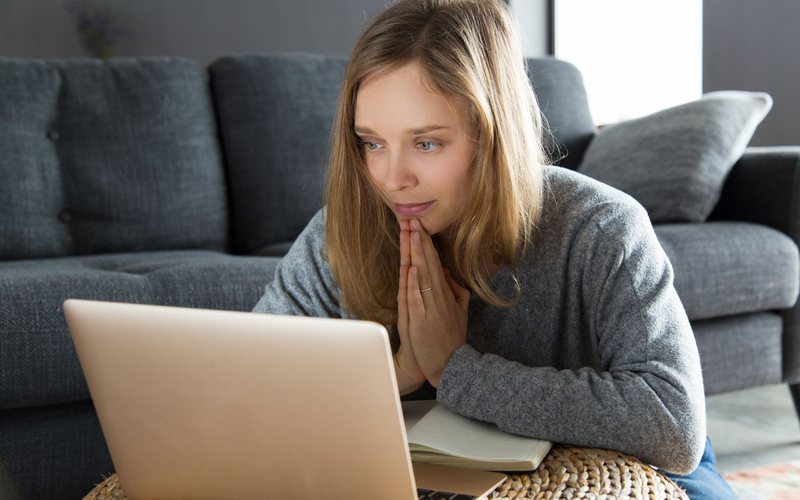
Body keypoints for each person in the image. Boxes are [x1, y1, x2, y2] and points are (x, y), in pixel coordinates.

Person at [253, 0, 736, 497]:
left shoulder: (601, 227)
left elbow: (673, 428)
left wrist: (455, 370)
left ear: (491, 136)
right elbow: (249, 392)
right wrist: (391, 376)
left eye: (427, 144)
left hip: (628, 464)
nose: (392, 179)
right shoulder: (339, 232)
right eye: (372, 143)